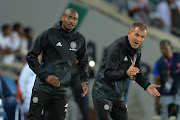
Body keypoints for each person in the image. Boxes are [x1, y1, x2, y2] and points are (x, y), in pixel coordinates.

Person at [26, 8, 89, 120]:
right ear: (62, 18)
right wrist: (45, 76)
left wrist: (84, 79)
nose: (71, 21)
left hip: (61, 90)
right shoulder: (49, 34)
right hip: (42, 87)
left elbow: (83, 61)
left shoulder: (79, 39)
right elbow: (31, 56)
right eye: (69, 17)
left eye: (75, 19)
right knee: (32, 118)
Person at [91, 22, 161, 120]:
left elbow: (136, 72)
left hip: (118, 96)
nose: (138, 39)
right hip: (102, 94)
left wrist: (147, 86)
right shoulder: (116, 48)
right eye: (136, 35)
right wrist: (126, 73)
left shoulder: (137, 50)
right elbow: (108, 74)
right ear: (129, 33)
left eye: (142, 37)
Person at [152, 40, 180, 120]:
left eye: (165, 48)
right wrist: (157, 100)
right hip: (166, 93)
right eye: (162, 48)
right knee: (164, 114)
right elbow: (157, 82)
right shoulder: (159, 63)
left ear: (171, 47)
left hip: (178, 91)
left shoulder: (178, 57)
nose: (163, 50)